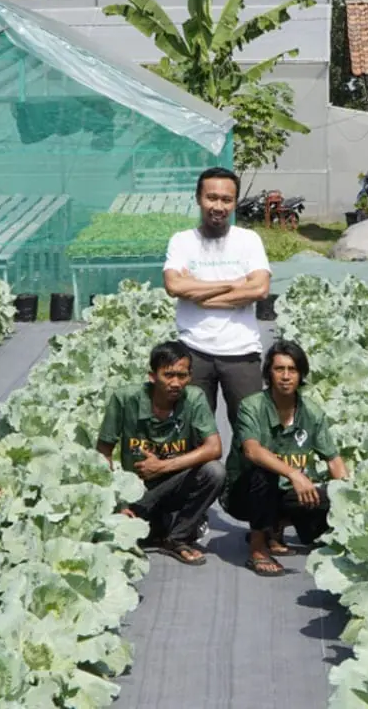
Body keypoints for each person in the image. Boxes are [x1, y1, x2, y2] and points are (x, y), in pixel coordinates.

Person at [163, 167, 271, 538]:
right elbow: (174, 286)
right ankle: (193, 516)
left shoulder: (249, 240)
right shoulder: (182, 241)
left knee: (253, 437)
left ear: (235, 202)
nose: (218, 206)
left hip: (242, 353)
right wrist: (233, 285)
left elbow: (259, 289)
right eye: (212, 197)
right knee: (194, 438)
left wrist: (201, 292)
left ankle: (256, 517)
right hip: (193, 353)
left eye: (226, 199)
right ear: (199, 199)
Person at [222, 340, 347, 577]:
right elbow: (252, 451)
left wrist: (348, 497)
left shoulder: (311, 412)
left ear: (301, 375)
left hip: (286, 493)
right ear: (269, 373)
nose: (286, 376)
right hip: (245, 494)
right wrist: (294, 474)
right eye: (279, 369)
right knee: (265, 470)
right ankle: (258, 547)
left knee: (331, 498)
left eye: (293, 370)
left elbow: (333, 460)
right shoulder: (252, 406)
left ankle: (275, 525)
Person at [97, 341, 226, 566]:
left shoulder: (194, 398)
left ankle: (177, 538)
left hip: (176, 486)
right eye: (168, 375)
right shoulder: (125, 399)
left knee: (215, 472)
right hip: (137, 492)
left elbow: (214, 448)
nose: (175, 383)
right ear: (152, 376)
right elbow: (103, 454)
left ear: (190, 377)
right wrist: (117, 502)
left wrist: (162, 466)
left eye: (182, 376)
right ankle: (157, 526)